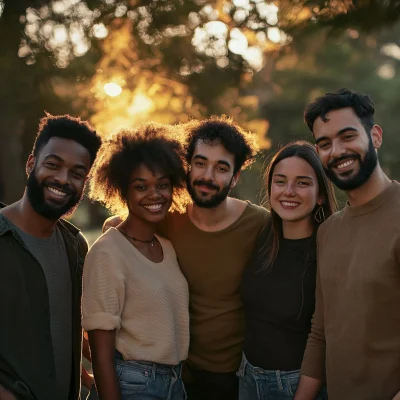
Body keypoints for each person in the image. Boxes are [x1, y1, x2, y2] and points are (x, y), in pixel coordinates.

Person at [104, 116, 270, 400]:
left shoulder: (259, 225)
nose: (207, 176)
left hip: (232, 378)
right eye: (200, 163)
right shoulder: (167, 219)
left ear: (235, 177)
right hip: (173, 375)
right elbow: (113, 227)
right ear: (187, 165)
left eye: (221, 168)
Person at [294, 89, 400, 400]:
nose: (337, 151)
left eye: (347, 136)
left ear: (375, 136)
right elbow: (320, 332)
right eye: (324, 144)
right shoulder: (328, 231)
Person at [82, 124, 190, 400]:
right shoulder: (107, 253)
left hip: (175, 383)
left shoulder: (167, 247)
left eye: (162, 185)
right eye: (141, 187)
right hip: (131, 384)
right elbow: (101, 356)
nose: (154, 195)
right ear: (122, 191)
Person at [0, 114, 102, 400]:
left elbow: (61, 326)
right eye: (53, 165)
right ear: (31, 163)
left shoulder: (75, 245)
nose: (62, 179)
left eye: (77, 173)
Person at [238, 141, 336, 400]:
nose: (289, 191)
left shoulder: (330, 251)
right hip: (247, 378)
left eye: (302, 183)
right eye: (280, 181)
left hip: (296, 386)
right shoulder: (260, 234)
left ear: (321, 194)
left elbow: (324, 338)